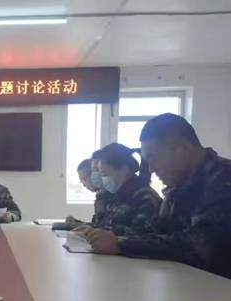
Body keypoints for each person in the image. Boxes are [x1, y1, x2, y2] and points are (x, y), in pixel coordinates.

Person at [84, 113, 231, 281]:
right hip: (189, 284)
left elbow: (202, 245)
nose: (151, 169)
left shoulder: (224, 178)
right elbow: (157, 232)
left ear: (181, 150)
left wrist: (121, 244)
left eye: (153, 159)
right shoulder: (179, 186)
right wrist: (115, 239)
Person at [77, 143, 161, 236]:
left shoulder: (146, 198)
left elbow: (143, 236)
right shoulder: (112, 195)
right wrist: (89, 229)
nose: (102, 180)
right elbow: (102, 225)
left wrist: (107, 235)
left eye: (104, 174)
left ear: (124, 170)